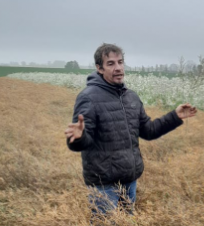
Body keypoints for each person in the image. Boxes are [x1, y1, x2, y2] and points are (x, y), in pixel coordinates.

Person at [64, 43, 197, 218]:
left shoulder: (131, 97)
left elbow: (149, 130)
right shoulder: (88, 97)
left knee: (127, 221)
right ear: (99, 68)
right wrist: (79, 137)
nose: (118, 68)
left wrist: (174, 116)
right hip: (104, 184)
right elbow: (83, 140)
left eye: (120, 62)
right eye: (111, 63)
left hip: (129, 180)